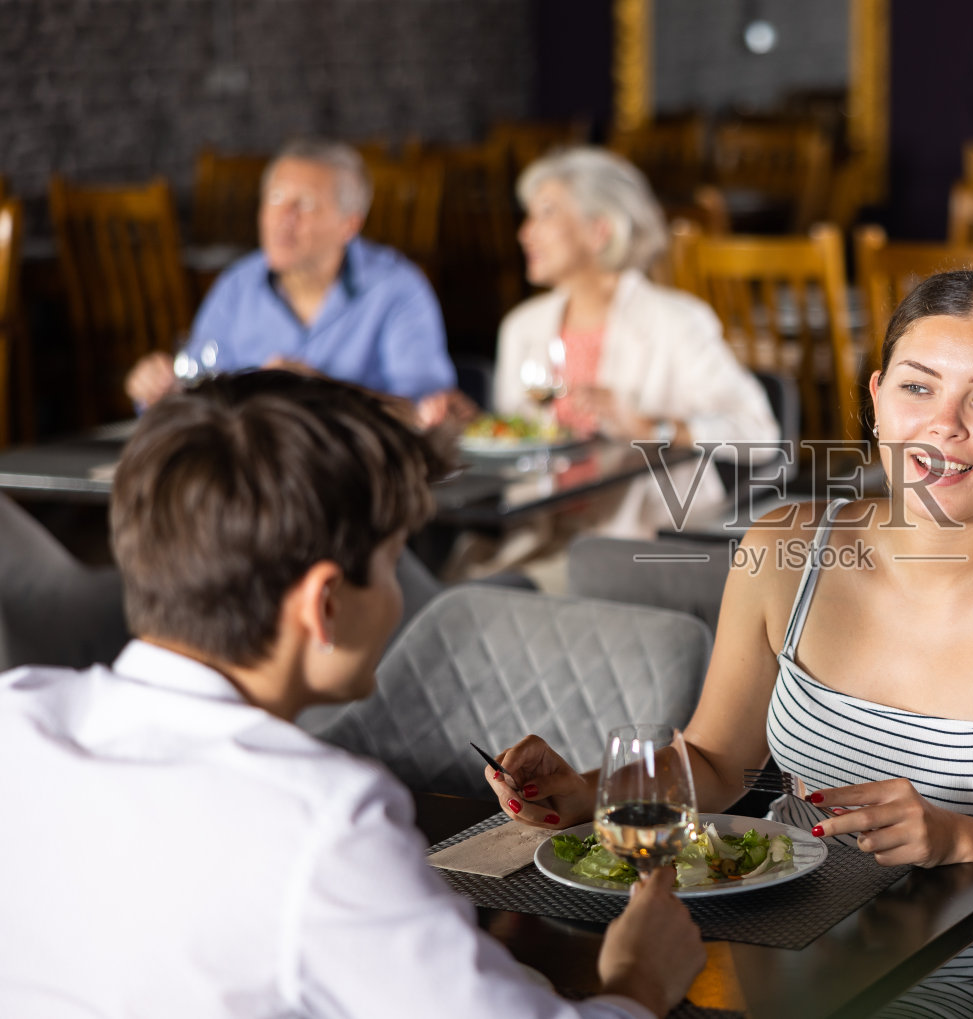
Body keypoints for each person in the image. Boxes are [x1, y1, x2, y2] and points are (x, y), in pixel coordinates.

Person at [482, 271, 973, 1017]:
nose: (944, 424)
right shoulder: (785, 549)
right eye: (917, 388)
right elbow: (716, 762)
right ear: (876, 399)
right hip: (765, 962)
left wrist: (952, 839)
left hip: (946, 985)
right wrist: (590, 794)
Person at [0, 371, 705, 1018]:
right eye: (394, 559)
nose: (400, 593)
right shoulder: (322, 826)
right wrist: (638, 980)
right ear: (325, 603)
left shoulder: (17, 718)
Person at [423, 146, 778, 548]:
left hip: (638, 542)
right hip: (535, 536)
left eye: (545, 213)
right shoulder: (523, 326)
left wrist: (655, 428)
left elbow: (760, 434)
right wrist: (474, 428)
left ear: (599, 230)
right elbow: (529, 447)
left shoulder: (676, 322)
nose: (525, 232)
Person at [125, 139, 457, 409]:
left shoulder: (396, 287)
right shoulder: (237, 285)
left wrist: (319, 388)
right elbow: (196, 388)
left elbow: (425, 413)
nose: (284, 217)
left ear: (349, 225)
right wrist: (159, 387)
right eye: (276, 198)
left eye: (306, 204)